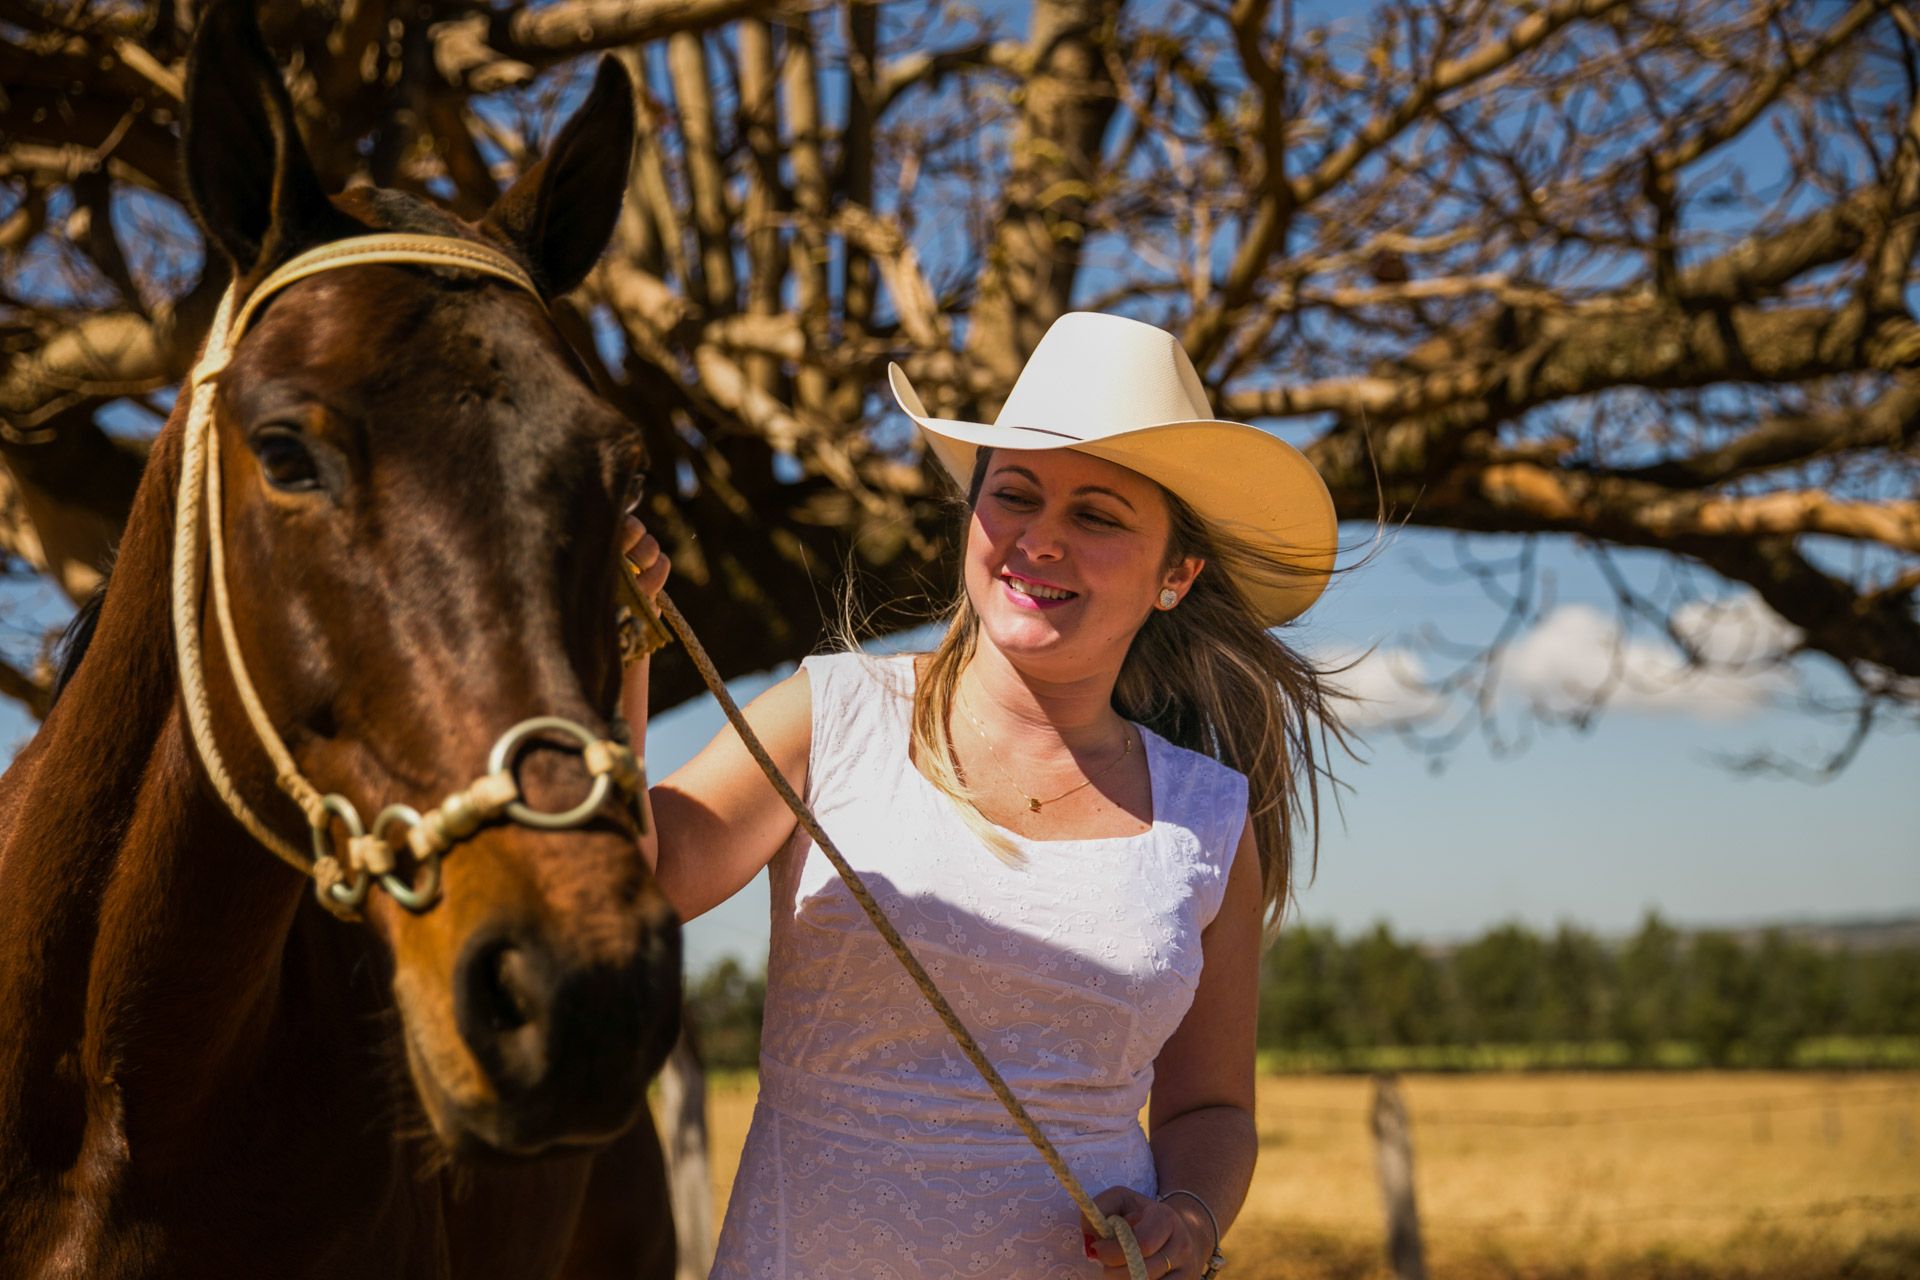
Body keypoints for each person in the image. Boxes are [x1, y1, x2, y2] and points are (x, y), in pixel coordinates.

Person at [619, 311, 1345, 1279]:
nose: (1039, 539)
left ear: (1176, 574)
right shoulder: (832, 714)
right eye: (1014, 495)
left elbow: (1209, 1108)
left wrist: (1193, 1217)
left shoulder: (1208, 816)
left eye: (1096, 514)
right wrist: (621, 636)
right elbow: (638, 879)